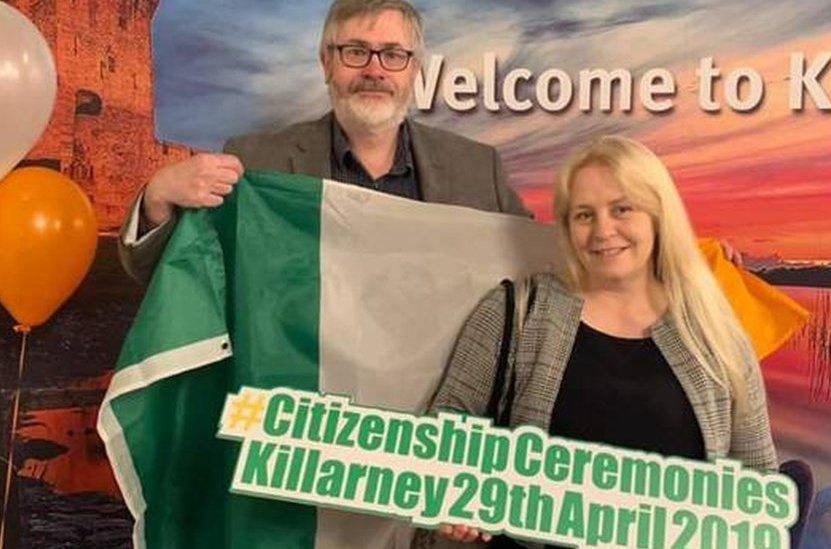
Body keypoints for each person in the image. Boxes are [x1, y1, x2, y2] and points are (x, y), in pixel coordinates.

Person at [425, 136, 777, 547]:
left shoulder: (715, 330)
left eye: (622, 209)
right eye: (584, 215)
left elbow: (757, 485)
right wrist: (455, 495)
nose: (603, 231)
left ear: (658, 215)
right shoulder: (516, 311)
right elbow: (443, 436)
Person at [118, 0, 529, 284]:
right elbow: (182, 277)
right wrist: (156, 201)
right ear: (326, 62)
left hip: (435, 400)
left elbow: (534, 274)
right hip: (306, 399)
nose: (374, 69)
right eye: (355, 51)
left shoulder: (478, 169)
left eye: (392, 54)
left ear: (414, 69)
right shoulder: (256, 162)